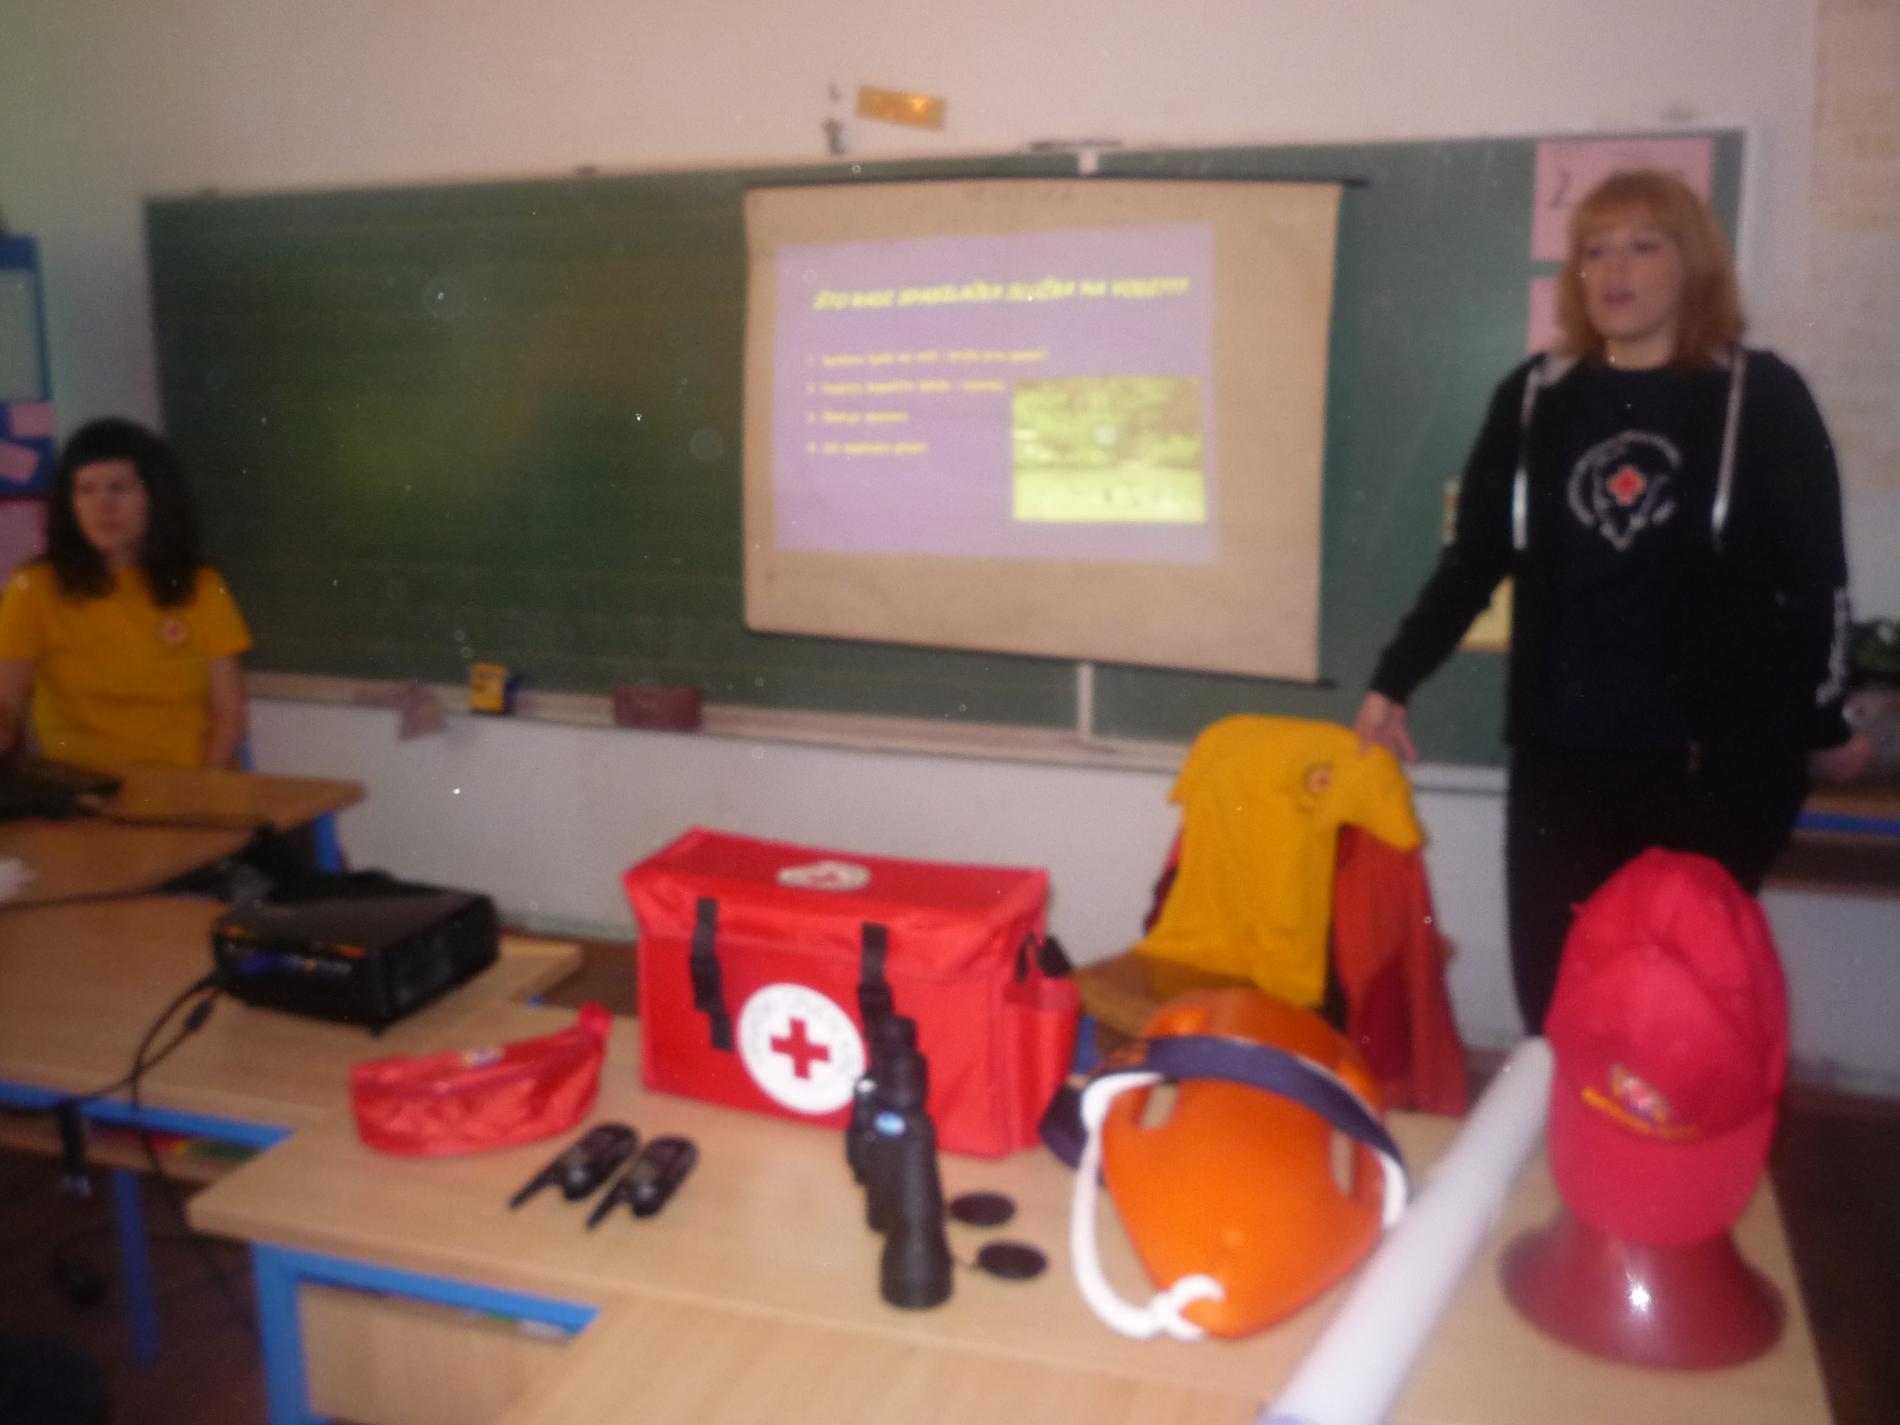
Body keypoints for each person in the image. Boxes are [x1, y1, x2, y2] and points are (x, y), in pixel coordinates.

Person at [1355, 170, 1872, 1034]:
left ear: (1692, 264)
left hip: (1711, 766)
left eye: (1643, 245)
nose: (1614, 269)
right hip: (1564, 758)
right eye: (1594, 250)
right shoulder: (1535, 397)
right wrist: (1393, 678)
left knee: (1679, 1014)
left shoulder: (1761, 396)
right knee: (1557, 1001)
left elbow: (1816, 578)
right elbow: (1475, 559)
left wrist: (1823, 722)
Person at [0, 418, 251, 772]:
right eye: (85, 490)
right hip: (85, 788)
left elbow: (228, 714)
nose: (102, 505)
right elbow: (7, 704)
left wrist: (200, 787)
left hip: (190, 784)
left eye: (119, 488)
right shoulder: (33, 587)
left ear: (155, 497)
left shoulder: (202, 586)